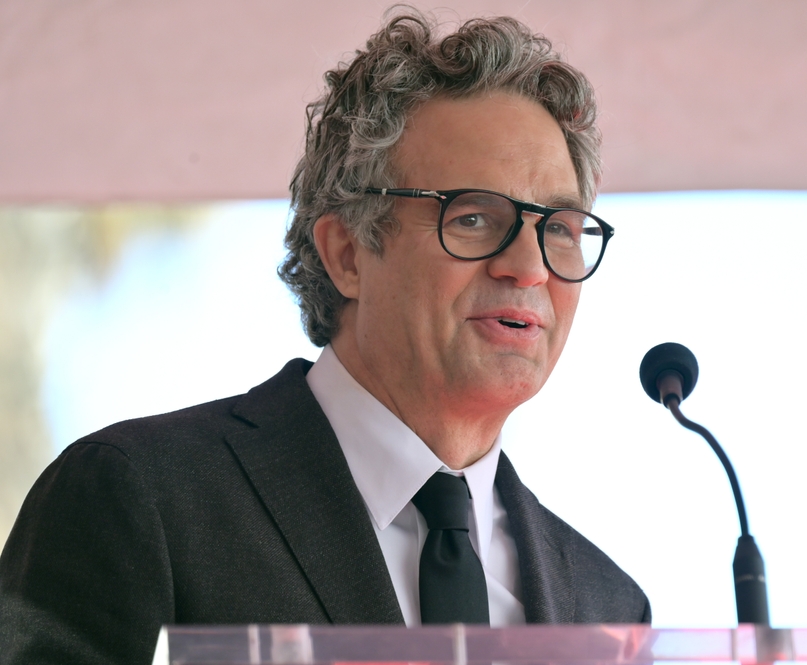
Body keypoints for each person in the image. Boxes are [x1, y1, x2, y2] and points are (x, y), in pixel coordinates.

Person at [0, 9, 649, 665]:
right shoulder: (137, 500)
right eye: (475, 217)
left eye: (560, 228)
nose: (531, 267)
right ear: (347, 252)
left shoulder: (608, 605)